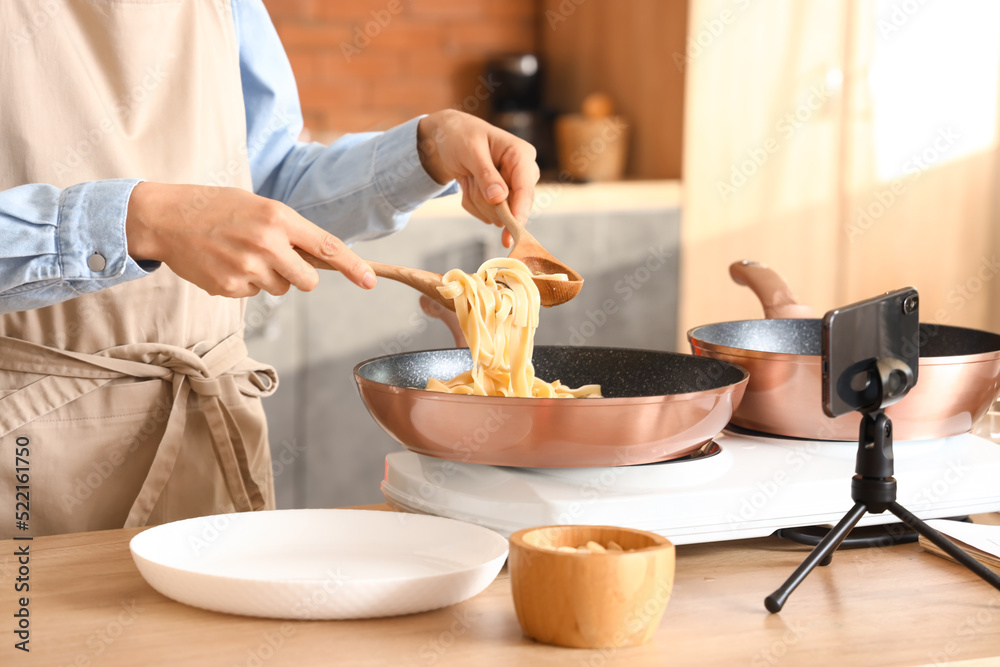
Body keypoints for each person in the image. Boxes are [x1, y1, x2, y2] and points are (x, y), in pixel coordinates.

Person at [0, 0, 539, 538]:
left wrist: (426, 148)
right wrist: (140, 222)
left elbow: (270, 184)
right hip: (26, 446)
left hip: (205, 426)